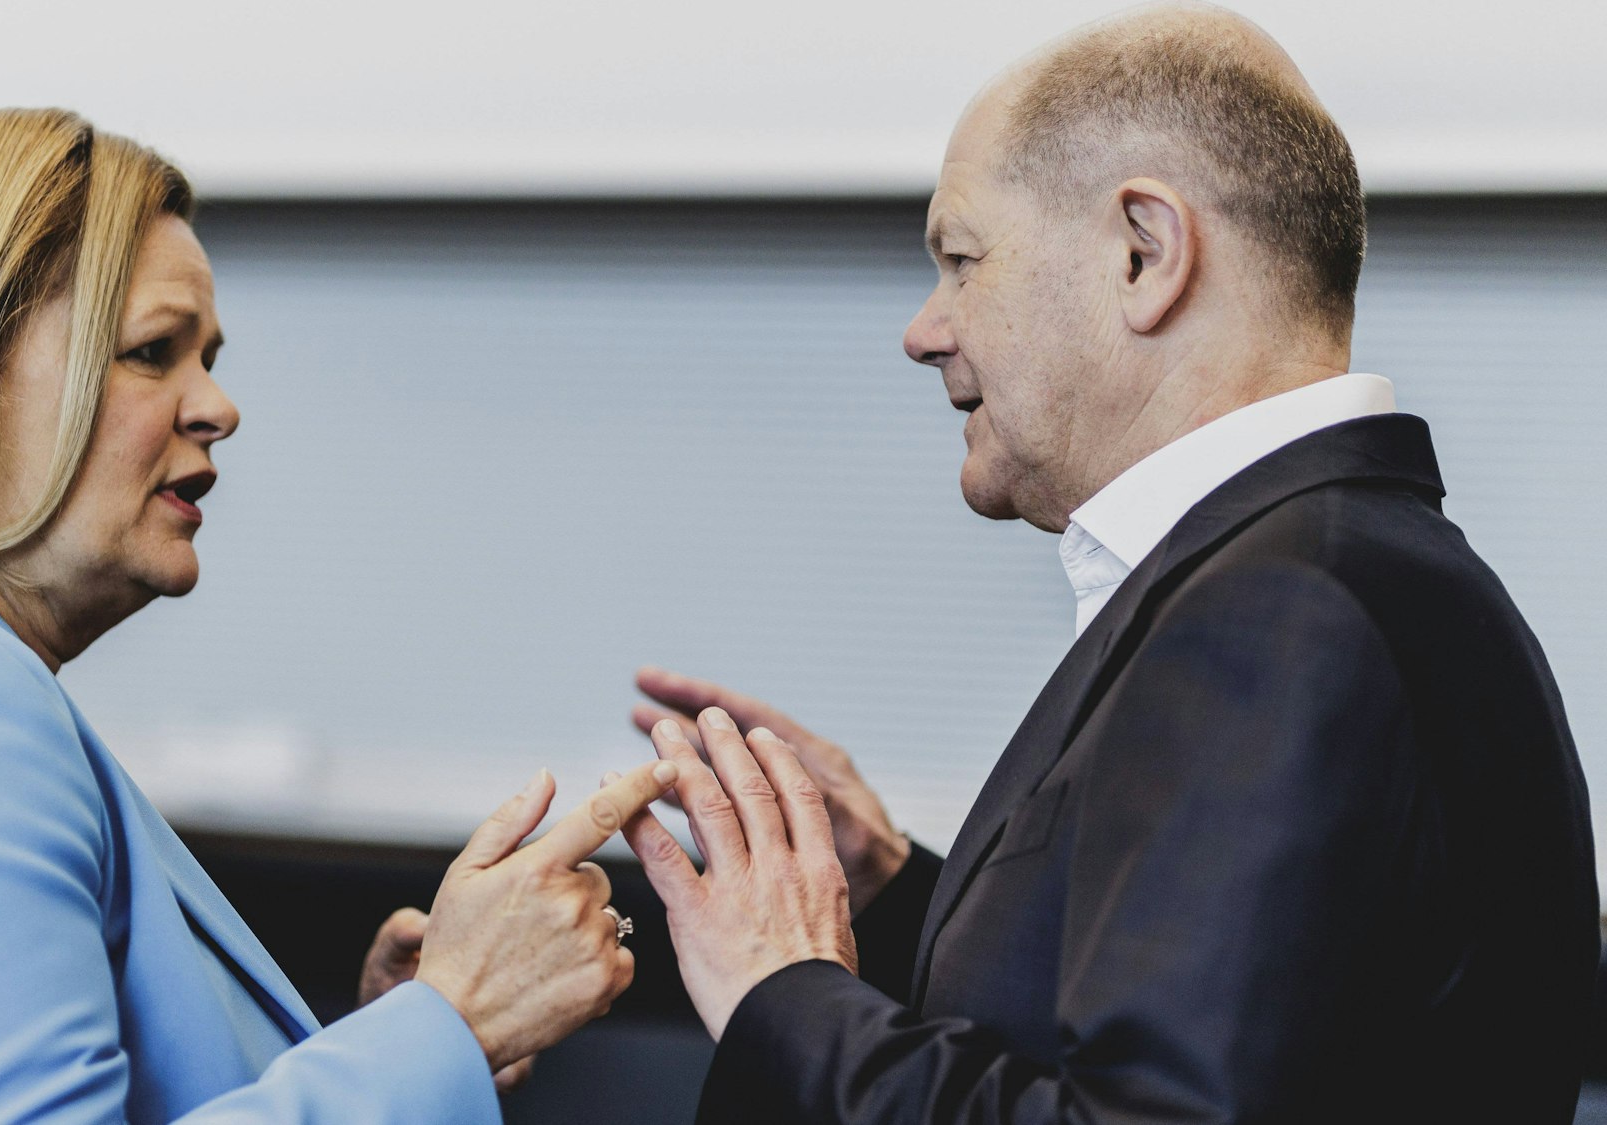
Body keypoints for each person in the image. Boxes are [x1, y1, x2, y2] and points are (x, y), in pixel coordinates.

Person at [621, 4, 1599, 1121]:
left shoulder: (1278, 613)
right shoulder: (1353, 568)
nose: (922, 330)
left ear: (1144, 253)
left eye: (961, 261)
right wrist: (890, 892)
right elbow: (1188, 1028)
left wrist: (780, 987)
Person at [0, 104, 678, 1123]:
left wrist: (392, 1039)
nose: (217, 408)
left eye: (209, 359)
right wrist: (453, 1023)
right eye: (153, 351)